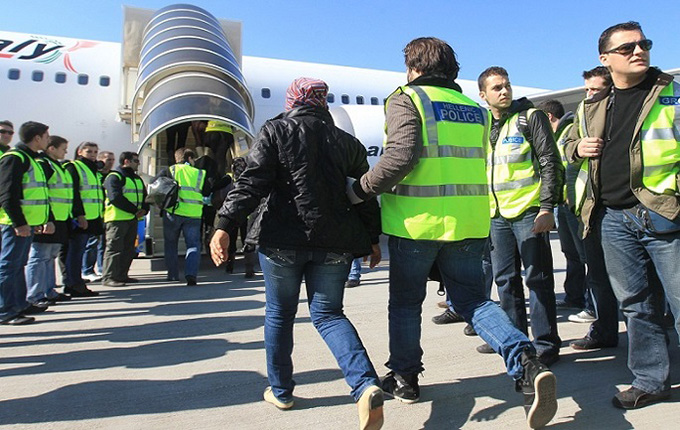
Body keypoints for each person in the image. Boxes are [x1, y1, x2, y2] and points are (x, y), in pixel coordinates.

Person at [348, 38, 557, 429]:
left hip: (417, 223)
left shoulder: (407, 98)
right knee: (475, 301)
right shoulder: (475, 110)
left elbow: (400, 156)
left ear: (413, 66)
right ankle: (526, 362)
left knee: (406, 304)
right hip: (468, 222)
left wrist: (359, 189)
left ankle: (406, 378)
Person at [210, 77, 385, 430]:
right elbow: (364, 192)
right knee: (330, 315)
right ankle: (365, 385)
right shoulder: (347, 142)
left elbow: (252, 181)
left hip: (282, 240)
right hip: (335, 242)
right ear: (322, 102)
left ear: (293, 100)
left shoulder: (275, 131)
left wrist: (224, 223)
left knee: (279, 314)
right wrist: (372, 238)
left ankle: (282, 391)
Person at [564, 21, 680, 410]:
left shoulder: (672, 95)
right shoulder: (594, 105)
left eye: (643, 43)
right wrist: (577, 147)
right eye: (627, 47)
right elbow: (565, 145)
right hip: (613, 218)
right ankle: (650, 380)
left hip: (664, 213)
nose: (638, 50)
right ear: (605, 59)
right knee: (636, 304)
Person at [478, 66, 564, 365]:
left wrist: (546, 207)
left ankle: (545, 343)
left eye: (506, 86)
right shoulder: (483, 125)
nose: (504, 91)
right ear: (483, 95)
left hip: (528, 211)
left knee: (537, 279)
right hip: (496, 214)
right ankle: (515, 341)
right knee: (504, 280)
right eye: (497, 88)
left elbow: (550, 162)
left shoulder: (530, 117)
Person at [568, 66, 620, 351]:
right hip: (592, 207)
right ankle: (604, 330)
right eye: (586, 89)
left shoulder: (622, 108)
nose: (589, 95)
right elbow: (568, 146)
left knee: (646, 283)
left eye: (595, 90)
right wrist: (578, 148)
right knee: (597, 275)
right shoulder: (583, 110)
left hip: (631, 206)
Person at [538, 99, 594, 321]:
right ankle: (574, 296)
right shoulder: (557, 134)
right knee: (571, 254)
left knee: (584, 255)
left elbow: (569, 170)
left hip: (573, 203)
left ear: (549, 117)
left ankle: (592, 304)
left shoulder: (569, 131)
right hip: (563, 204)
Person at [0, 121, 53, 325]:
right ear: (37, 138)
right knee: (8, 266)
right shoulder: (15, 158)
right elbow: (7, 194)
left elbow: (37, 195)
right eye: (46, 136)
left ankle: (20, 304)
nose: (48, 140)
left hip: (27, 223)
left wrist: (36, 221)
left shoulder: (31, 159)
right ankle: (5, 310)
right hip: (14, 224)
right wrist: (19, 222)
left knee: (17, 265)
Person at [25, 135, 73, 306]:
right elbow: (43, 193)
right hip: (47, 218)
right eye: (63, 148)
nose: (66, 152)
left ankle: (48, 290)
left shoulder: (56, 166)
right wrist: (47, 218)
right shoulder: (43, 164)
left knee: (49, 256)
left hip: (59, 218)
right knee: (39, 257)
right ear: (52, 148)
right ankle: (35, 294)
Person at [159, 148, 210, 286]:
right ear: (189, 158)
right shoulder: (200, 173)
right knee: (193, 245)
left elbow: (156, 184)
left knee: (171, 244)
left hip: (173, 212)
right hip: (194, 214)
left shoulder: (170, 170)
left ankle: (173, 275)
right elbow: (206, 191)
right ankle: (191, 274)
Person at [63, 142, 104, 297]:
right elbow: (74, 193)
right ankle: (73, 284)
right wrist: (79, 215)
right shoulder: (74, 167)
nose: (93, 154)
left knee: (80, 251)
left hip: (92, 216)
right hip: (81, 217)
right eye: (89, 151)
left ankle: (75, 282)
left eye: (95, 151)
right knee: (75, 252)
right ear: (80, 151)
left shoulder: (92, 169)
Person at [101, 151, 148, 287]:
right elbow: (115, 197)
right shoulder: (114, 177)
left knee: (129, 249)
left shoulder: (136, 179)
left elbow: (144, 196)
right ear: (126, 161)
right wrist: (135, 210)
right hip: (117, 219)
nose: (138, 164)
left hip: (132, 219)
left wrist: (144, 209)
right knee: (114, 248)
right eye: (136, 161)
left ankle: (122, 275)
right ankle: (109, 277)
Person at [82, 150, 115, 282]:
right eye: (108, 160)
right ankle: (87, 270)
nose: (111, 162)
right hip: (95, 214)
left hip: (108, 214)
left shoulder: (112, 175)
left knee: (104, 244)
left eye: (112, 160)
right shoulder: (96, 175)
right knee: (92, 243)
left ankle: (102, 269)